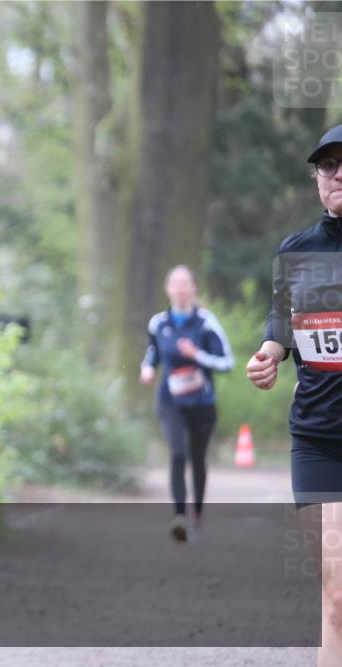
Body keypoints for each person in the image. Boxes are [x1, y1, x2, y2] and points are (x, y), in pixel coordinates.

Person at [245, 124, 342, 667]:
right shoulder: (296, 250)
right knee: (336, 596)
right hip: (319, 442)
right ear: (317, 179)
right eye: (329, 165)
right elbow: (282, 321)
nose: (339, 173)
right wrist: (269, 355)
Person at [140, 266, 234, 542]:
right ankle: (179, 517)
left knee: (197, 458)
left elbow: (227, 362)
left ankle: (198, 515)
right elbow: (152, 353)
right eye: (175, 284)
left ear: (194, 288)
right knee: (178, 453)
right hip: (170, 401)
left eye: (185, 284)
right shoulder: (159, 323)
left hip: (202, 403)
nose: (180, 289)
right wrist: (147, 369)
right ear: (167, 289)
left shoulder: (205, 322)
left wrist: (198, 355)